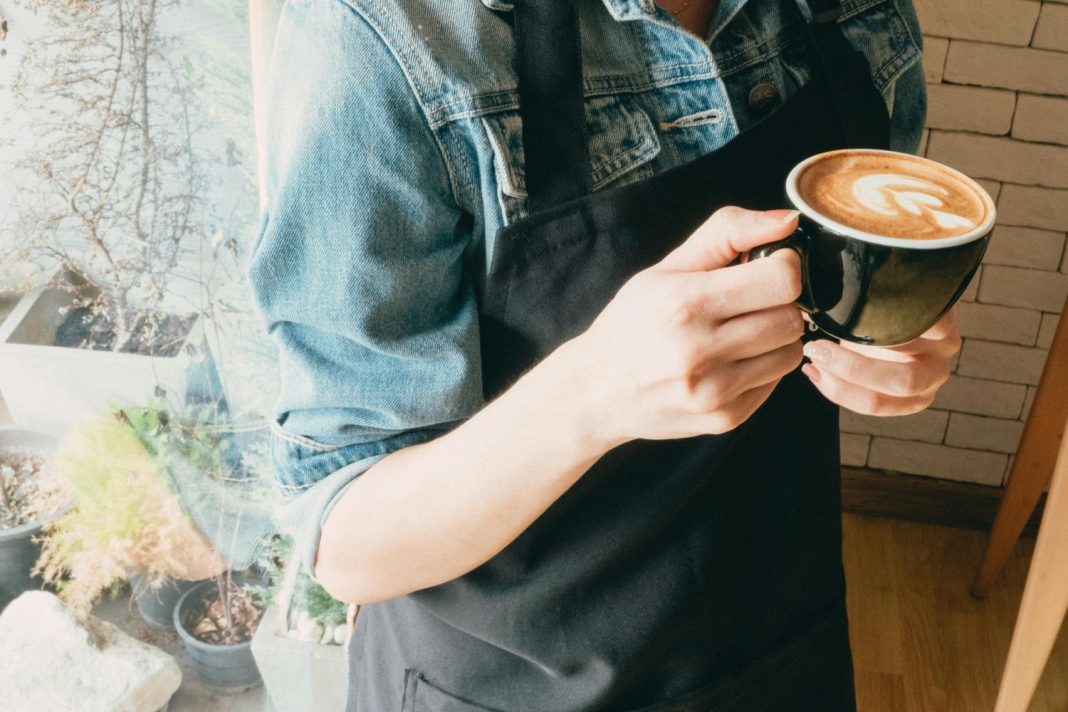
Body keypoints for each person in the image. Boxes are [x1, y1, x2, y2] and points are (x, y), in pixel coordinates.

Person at [247, 0, 958, 709]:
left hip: (777, 648)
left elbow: (869, 255)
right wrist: (591, 395)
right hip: (511, 686)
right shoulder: (385, 34)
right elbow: (346, 541)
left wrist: (895, 335)